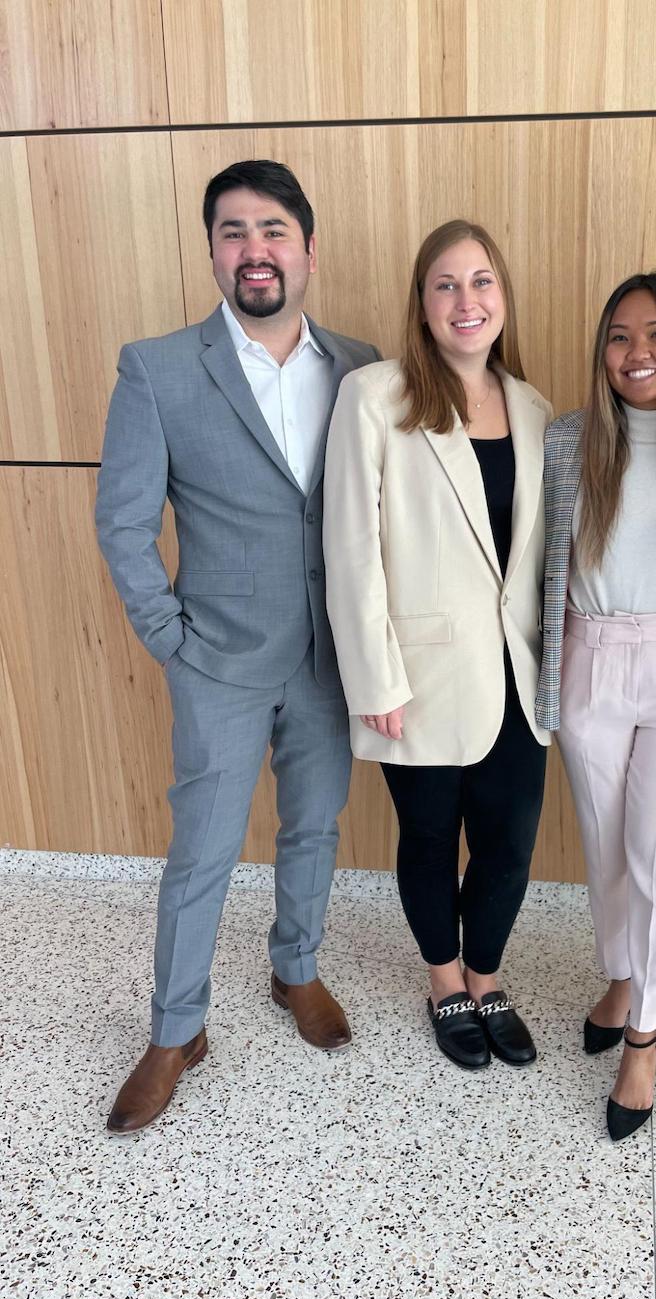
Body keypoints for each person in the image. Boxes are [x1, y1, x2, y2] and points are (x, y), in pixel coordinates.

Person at [95, 160, 380, 1133]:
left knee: (313, 824)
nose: (253, 250)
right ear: (213, 250)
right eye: (231, 232)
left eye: (272, 231)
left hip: (329, 659)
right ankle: (176, 1029)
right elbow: (122, 523)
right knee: (202, 850)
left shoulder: (364, 367)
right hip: (215, 658)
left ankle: (293, 968)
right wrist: (173, 642)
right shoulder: (159, 367)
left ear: (306, 247)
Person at [323, 219, 551, 1071]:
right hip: (413, 677)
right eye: (446, 284)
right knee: (427, 838)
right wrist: (373, 678)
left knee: (510, 843)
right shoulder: (376, 396)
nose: (467, 300)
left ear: (503, 298)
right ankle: (444, 979)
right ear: (421, 304)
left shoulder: (531, 406)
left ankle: (488, 975)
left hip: (517, 678)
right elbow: (350, 548)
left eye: (482, 281)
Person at [536, 271, 656, 1140]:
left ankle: (645, 1033)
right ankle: (621, 973)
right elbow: (539, 563)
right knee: (609, 842)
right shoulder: (568, 441)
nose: (637, 353)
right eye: (618, 336)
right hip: (589, 656)